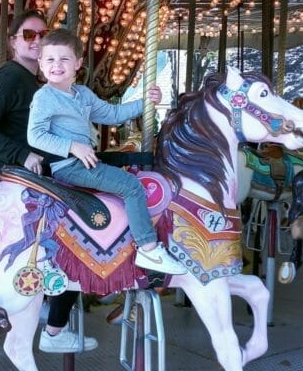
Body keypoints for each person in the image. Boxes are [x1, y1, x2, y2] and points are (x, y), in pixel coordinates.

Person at [0, 9, 98, 354]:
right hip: (9, 176)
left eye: (43, 34)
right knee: (79, 236)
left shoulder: (34, 83)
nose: (37, 40)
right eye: (29, 35)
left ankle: (46, 308)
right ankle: (54, 325)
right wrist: (20, 155)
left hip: (28, 175)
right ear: (13, 42)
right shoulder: (10, 78)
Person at [28, 28, 185, 276]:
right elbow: (34, 135)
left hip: (83, 163)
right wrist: (72, 147)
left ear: (77, 63)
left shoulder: (82, 95)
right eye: (50, 59)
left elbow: (112, 115)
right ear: (40, 64)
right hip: (69, 166)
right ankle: (148, 247)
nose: (56, 65)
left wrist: (146, 101)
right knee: (131, 186)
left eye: (64, 59)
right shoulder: (44, 97)